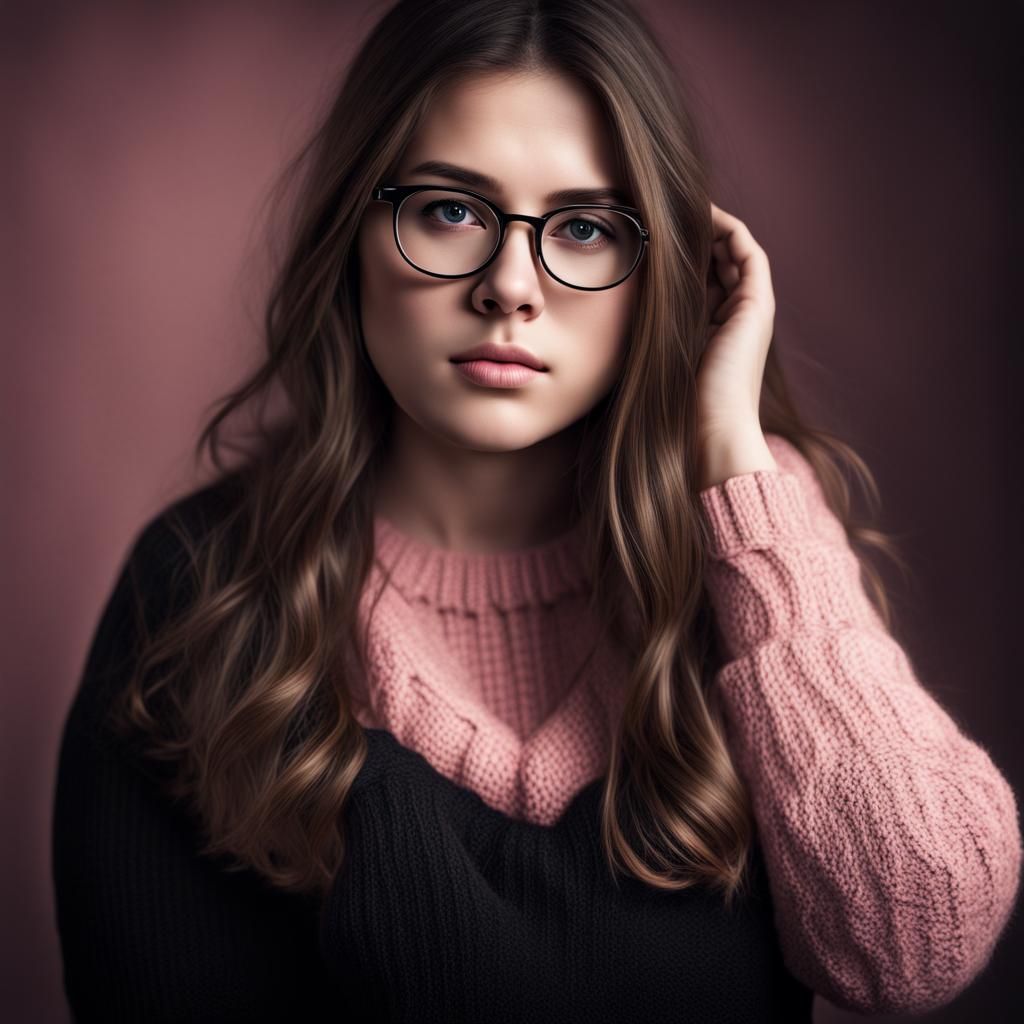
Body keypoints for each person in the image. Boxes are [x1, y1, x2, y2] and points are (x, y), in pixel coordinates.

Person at [52, 0, 1021, 1021]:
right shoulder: (199, 587)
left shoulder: (751, 539)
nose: (510, 286)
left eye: (588, 228)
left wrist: (737, 466)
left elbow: (913, 950)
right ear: (354, 231)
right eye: (450, 211)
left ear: (663, 273)